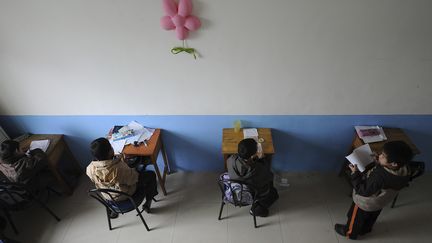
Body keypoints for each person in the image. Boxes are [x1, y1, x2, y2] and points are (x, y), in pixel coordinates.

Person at [335, 140, 414, 239]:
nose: (380, 155)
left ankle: (350, 233)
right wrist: (378, 161)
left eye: (383, 156)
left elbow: (362, 190)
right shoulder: (405, 170)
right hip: (380, 201)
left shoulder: (380, 176)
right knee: (372, 216)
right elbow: (387, 172)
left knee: (356, 218)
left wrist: (355, 174)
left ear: (394, 163)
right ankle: (366, 229)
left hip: (366, 203)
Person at [86, 138, 158, 217]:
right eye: (111, 146)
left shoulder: (89, 169)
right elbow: (134, 179)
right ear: (110, 151)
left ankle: (113, 210)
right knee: (151, 175)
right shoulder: (119, 168)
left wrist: (120, 162)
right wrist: (126, 165)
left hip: (108, 196)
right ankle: (148, 202)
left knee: (122, 179)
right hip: (125, 195)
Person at [226, 138, 279, 217]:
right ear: (253, 153)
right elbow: (268, 176)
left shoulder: (230, 159)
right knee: (274, 193)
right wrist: (263, 161)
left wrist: (253, 160)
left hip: (235, 188)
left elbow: (244, 166)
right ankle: (256, 208)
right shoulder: (257, 169)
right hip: (250, 192)